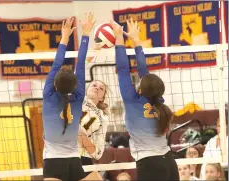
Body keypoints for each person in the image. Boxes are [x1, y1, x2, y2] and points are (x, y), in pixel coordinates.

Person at [111, 18, 179, 180]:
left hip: (150, 163)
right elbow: (143, 71)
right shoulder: (158, 101)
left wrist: (119, 39)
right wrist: (135, 40)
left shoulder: (131, 99)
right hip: (168, 162)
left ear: (141, 88)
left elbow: (122, 68)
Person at [42, 13, 100, 181]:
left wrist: (64, 37)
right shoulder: (79, 95)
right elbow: (80, 63)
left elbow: (57, 63)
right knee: (95, 177)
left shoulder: (48, 94)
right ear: (74, 85)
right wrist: (86, 33)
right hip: (74, 161)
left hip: (53, 161)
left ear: (54, 83)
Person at [78, 80, 109, 176]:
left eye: (101, 89)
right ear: (86, 90)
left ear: (102, 98)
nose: (96, 88)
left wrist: (82, 138)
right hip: (61, 153)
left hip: (82, 158)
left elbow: (98, 153)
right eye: (94, 85)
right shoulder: (76, 100)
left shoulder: (103, 118)